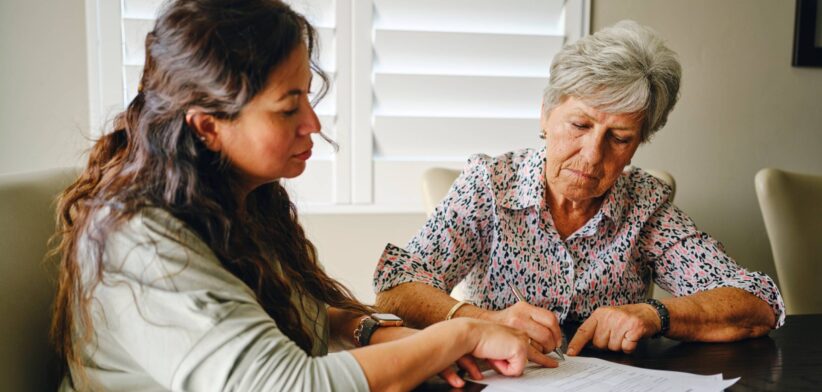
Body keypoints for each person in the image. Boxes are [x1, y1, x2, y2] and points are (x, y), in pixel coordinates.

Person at [50, 1, 556, 390]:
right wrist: (461, 334)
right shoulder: (140, 242)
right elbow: (291, 384)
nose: (312, 124)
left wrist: (386, 336)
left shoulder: (235, 201)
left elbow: (305, 316)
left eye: (308, 98)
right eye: (288, 108)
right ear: (207, 126)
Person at [373, 20, 785, 357]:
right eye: (580, 125)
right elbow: (396, 287)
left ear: (637, 144)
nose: (591, 155)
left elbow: (757, 302)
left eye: (619, 137)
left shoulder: (647, 206)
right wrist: (484, 319)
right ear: (546, 115)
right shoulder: (490, 185)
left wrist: (654, 313)